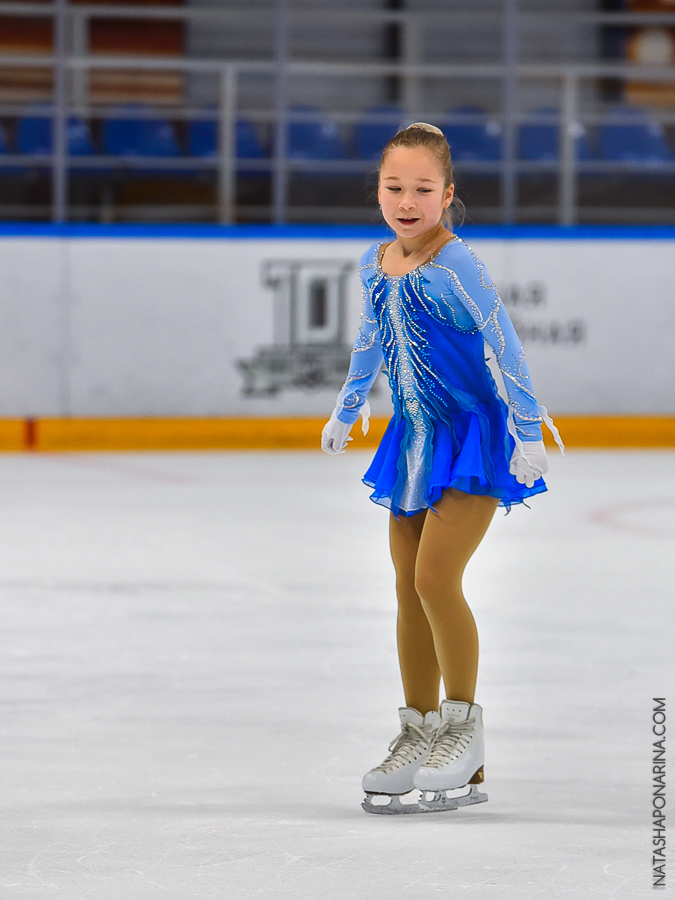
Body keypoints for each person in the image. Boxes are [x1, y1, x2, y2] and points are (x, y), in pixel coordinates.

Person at [321, 123, 563, 815]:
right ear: (377, 191)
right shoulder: (375, 262)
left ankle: (463, 729)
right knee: (406, 589)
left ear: (447, 195)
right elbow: (370, 340)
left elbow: (504, 344)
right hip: (413, 439)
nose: (407, 201)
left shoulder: (456, 263)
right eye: (394, 187)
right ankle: (417, 730)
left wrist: (526, 428)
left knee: (435, 579)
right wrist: (346, 408)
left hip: (473, 436)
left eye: (422, 189)